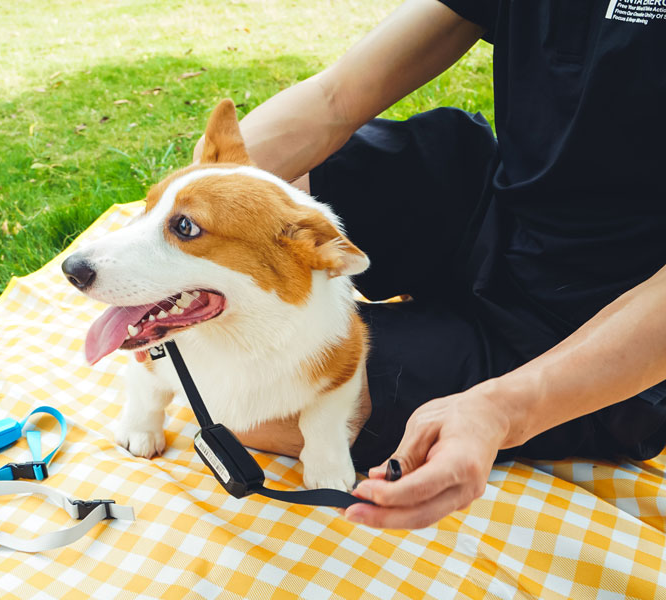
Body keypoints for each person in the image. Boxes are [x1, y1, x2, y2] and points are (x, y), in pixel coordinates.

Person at [196, 0, 666, 529]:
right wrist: (177, 219)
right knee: (284, 189)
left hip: (594, 321)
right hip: (490, 207)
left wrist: (503, 410)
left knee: (244, 402)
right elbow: (335, 98)